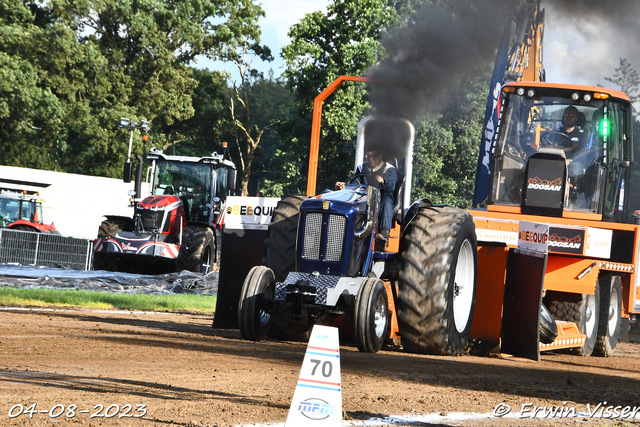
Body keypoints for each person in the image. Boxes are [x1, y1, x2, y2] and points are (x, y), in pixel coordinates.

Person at [335, 148, 398, 249]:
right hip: (364, 200)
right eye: (368, 156)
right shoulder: (362, 168)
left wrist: (383, 181)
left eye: (374, 156)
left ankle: (383, 236)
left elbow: (391, 187)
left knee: (387, 200)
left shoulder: (389, 169)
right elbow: (354, 185)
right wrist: (344, 187)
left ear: (381, 155)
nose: (371, 159)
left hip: (382, 199)